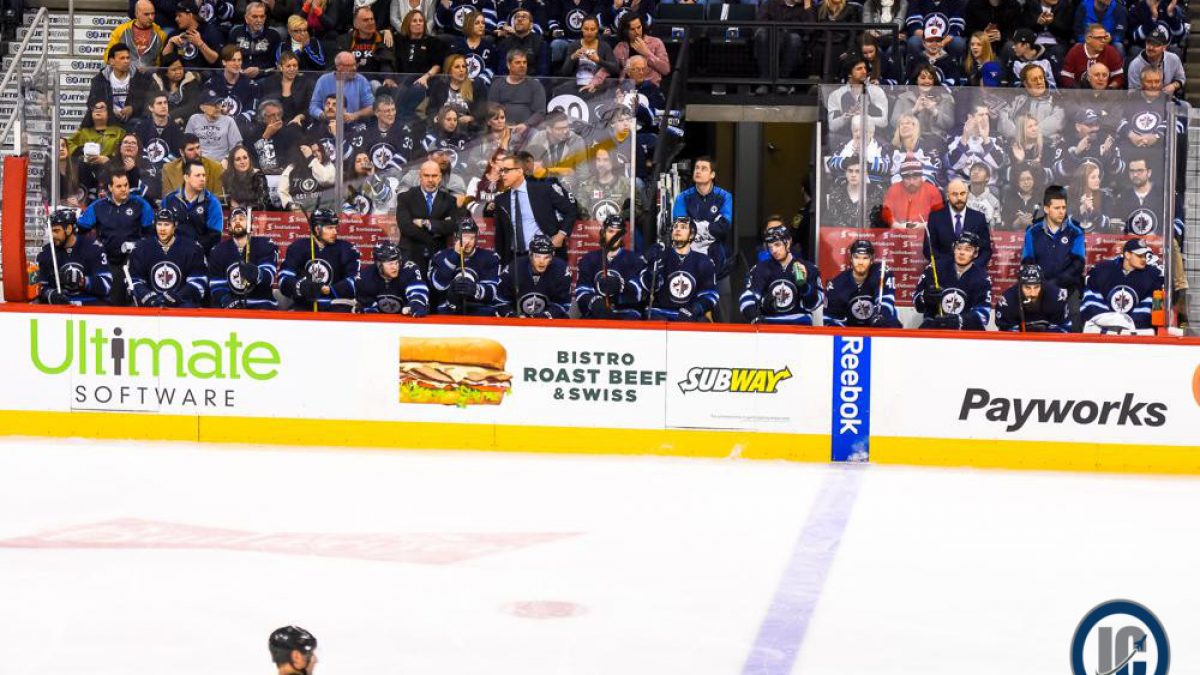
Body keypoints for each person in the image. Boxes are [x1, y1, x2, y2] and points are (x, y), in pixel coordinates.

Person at [76, 168, 155, 305]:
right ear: (110, 188)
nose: (124, 189)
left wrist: (138, 246)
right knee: (114, 300)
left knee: (135, 299)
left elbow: (150, 236)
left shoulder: (140, 204)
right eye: (119, 186)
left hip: (134, 261)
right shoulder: (98, 206)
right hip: (108, 261)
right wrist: (93, 246)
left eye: (126, 185)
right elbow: (81, 229)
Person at [671, 156, 732, 315]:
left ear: (712, 174)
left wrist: (695, 226)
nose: (698, 171)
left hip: (718, 263)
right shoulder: (683, 197)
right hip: (690, 265)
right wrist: (709, 226)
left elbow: (724, 227)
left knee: (723, 317)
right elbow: (681, 228)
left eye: (703, 168)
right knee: (690, 313)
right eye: (696, 168)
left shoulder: (724, 197)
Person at [1021, 185, 1086, 328]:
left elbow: (1078, 264)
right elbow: (1027, 262)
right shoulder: (1032, 231)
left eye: (1064, 207)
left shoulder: (1076, 231)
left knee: (1074, 325)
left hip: (1069, 289)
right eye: (1057, 208)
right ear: (1046, 209)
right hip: (1039, 289)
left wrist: (1054, 284)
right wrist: (1042, 286)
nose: (1061, 212)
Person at [492, 153, 579, 262]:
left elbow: (571, 210)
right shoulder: (501, 200)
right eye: (501, 171)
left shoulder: (543, 189)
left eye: (506, 170)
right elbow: (500, 235)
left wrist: (561, 235)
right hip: (516, 260)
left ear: (519, 171)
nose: (502, 174)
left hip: (546, 255)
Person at [279, 208, 361, 312]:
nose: (335, 232)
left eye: (336, 227)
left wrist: (328, 290)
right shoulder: (298, 247)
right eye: (330, 228)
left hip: (336, 307)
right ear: (317, 229)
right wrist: (302, 287)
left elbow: (356, 281)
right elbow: (284, 279)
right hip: (304, 307)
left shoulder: (347, 249)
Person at [396, 160, 471, 271]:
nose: (430, 180)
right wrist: (437, 232)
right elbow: (405, 226)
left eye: (434, 176)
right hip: (411, 257)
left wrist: (427, 223)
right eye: (426, 176)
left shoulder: (450, 200)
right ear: (420, 177)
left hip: (438, 257)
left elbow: (453, 225)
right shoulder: (405, 197)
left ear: (440, 177)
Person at [739, 225, 823, 325]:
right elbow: (746, 299)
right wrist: (755, 317)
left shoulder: (809, 268)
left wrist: (805, 287)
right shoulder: (760, 269)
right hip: (770, 326)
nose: (774, 250)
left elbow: (813, 305)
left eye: (777, 245)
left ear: (788, 242)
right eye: (770, 247)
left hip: (800, 327)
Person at [642, 217, 719, 322]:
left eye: (683, 227)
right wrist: (651, 268)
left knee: (702, 321)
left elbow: (710, 294)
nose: (677, 230)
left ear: (691, 235)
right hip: (660, 313)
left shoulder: (703, 261)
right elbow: (648, 288)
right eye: (675, 227)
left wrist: (695, 309)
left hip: (689, 315)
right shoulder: (661, 256)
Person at [129, 208, 209, 308]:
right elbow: (135, 280)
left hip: (182, 305)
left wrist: (176, 297)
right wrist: (149, 298)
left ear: (175, 226)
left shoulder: (192, 248)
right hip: (151, 305)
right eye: (159, 224)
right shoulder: (141, 248)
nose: (162, 229)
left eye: (167, 224)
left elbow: (198, 281)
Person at [913, 230, 993, 330]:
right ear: (954, 249)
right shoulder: (935, 268)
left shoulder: (982, 278)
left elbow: (983, 315)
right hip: (935, 327)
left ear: (975, 253)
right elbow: (917, 303)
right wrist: (924, 297)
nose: (962, 253)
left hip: (965, 332)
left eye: (968, 249)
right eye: (959, 248)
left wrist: (959, 321)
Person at [1081, 238, 1164, 331]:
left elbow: (1154, 308)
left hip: (1137, 332)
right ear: (1127, 255)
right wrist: (1110, 321)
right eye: (1139, 256)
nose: (1144, 259)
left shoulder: (1153, 275)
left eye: (1145, 256)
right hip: (1102, 329)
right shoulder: (1103, 270)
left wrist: (1128, 324)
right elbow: (1091, 302)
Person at [575, 215, 645, 320]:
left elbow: (638, 292)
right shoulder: (589, 259)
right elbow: (582, 290)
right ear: (603, 233)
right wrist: (594, 302)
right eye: (611, 231)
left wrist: (621, 286)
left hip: (626, 314)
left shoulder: (634, 260)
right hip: (597, 313)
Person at [428, 218, 503, 315]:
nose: (468, 242)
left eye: (471, 238)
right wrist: (455, 256)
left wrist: (476, 289)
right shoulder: (440, 256)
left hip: (480, 311)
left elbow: (495, 291)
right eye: (464, 237)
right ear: (456, 237)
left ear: (476, 238)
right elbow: (437, 286)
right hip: (448, 311)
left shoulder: (490, 257)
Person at [37, 209, 113, 306]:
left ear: (69, 229)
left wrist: (83, 281)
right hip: (61, 308)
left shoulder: (93, 248)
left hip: (90, 307)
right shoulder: (46, 252)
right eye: (51, 231)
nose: (52, 235)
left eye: (56, 231)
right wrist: (51, 295)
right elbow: (40, 287)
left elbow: (107, 285)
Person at [207, 206, 278, 309]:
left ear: (250, 224)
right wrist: (226, 300)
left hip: (261, 306)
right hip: (231, 308)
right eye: (234, 220)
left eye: (241, 219)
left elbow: (269, 277)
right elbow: (217, 284)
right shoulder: (218, 251)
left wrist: (258, 274)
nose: (237, 221)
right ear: (229, 227)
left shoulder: (265, 245)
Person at [824, 239, 902, 328]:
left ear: (872, 259)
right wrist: (840, 331)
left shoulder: (882, 273)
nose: (860, 262)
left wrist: (881, 314)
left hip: (883, 327)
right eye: (856, 257)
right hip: (852, 330)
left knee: (888, 322)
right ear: (851, 259)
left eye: (865, 258)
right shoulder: (837, 284)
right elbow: (831, 319)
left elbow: (886, 303)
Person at [494, 234, 572, 317]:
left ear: (552, 257)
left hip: (548, 321)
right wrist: (513, 316)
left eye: (546, 257)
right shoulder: (514, 268)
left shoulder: (561, 269)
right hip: (518, 319)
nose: (541, 261)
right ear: (530, 255)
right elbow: (501, 301)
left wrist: (545, 316)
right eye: (537, 256)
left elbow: (562, 304)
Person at [923, 178, 992, 269]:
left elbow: (986, 250)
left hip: (971, 273)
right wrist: (947, 266)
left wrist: (972, 267)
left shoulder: (979, 218)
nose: (959, 198)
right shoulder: (935, 217)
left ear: (967, 194)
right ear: (948, 195)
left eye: (962, 194)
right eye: (955, 194)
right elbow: (928, 248)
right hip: (943, 272)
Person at [160, 159, 224, 254]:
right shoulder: (169, 200)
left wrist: (193, 248)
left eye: (204, 175)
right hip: (172, 253)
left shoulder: (212, 202)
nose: (202, 179)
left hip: (200, 254)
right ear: (186, 177)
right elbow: (161, 229)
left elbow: (215, 236)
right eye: (198, 175)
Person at [752, 0, 813, 94]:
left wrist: (808, 7)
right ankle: (764, 82)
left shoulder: (805, 8)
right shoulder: (770, 4)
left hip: (791, 42)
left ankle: (782, 82)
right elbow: (759, 24)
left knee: (795, 38)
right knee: (762, 34)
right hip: (771, 38)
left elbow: (810, 30)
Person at [356, 240, 431, 315]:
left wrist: (416, 302)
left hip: (407, 316)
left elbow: (418, 289)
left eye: (397, 262)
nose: (395, 267)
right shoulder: (366, 276)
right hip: (381, 319)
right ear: (379, 264)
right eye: (390, 263)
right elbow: (368, 305)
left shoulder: (408, 269)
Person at [595, 13, 669, 86]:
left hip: (649, 87)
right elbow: (609, 67)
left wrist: (646, 53)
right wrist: (595, 81)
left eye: (639, 27)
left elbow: (665, 70)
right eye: (632, 29)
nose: (637, 32)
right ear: (626, 31)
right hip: (626, 87)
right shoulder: (621, 46)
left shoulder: (656, 42)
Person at [88, 44, 155, 124]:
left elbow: (147, 100)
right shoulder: (100, 79)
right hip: (108, 121)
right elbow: (92, 102)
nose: (126, 61)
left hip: (133, 121)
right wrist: (109, 111)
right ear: (111, 61)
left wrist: (132, 108)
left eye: (128, 58)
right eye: (122, 58)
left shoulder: (139, 78)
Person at [995, 262, 1069, 331]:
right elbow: (1005, 333)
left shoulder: (1057, 297)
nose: (1032, 293)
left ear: (1042, 285)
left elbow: (1064, 329)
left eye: (1036, 287)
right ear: (1020, 286)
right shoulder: (1007, 301)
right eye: (1027, 288)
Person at [308, 52, 376, 122]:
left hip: (353, 124)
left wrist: (355, 115)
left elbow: (372, 107)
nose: (354, 68)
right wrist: (323, 115)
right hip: (327, 123)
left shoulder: (361, 80)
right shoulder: (323, 80)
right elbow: (313, 106)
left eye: (355, 64)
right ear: (338, 67)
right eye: (349, 65)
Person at [203, 44, 261, 126]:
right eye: (233, 60)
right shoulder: (212, 83)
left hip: (241, 128)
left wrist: (233, 122)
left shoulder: (251, 86)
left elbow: (252, 113)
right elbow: (207, 109)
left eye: (239, 60)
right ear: (224, 62)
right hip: (215, 127)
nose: (237, 64)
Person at [488, 49, 546, 130]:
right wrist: (502, 126)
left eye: (524, 62)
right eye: (518, 62)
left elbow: (540, 112)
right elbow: (492, 109)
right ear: (508, 65)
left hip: (528, 129)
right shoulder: (497, 84)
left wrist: (526, 125)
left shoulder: (535, 85)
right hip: (501, 128)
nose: (522, 65)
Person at [946, 104, 1004, 183]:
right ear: (970, 117)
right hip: (963, 184)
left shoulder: (995, 137)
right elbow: (955, 165)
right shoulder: (955, 136)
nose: (985, 118)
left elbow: (998, 164)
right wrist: (965, 137)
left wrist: (986, 139)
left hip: (988, 185)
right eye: (981, 115)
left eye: (987, 114)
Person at [559, 14, 618, 92]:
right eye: (586, 29)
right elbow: (564, 73)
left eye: (592, 29)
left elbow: (615, 69)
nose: (589, 32)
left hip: (597, 88)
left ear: (597, 30)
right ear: (581, 29)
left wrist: (598, 60)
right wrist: (573, 57)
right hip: (576, 87)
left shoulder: (604, 46)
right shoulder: (574, 45)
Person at [106, 0, 168, 72]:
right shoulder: (120, 31)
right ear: (136, 14)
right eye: (146, 14)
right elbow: (108, 56)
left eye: (153, 14)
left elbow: (162, 62)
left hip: (149, 76)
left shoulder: (161, 35)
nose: (151, 17)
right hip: (125, 74)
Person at [882, 158, 945, 228]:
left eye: (915, 178)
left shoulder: (932, 191)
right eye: (907, 178)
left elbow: (940, 217)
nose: (911, 182)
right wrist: (896, 225)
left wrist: (922, 225)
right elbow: (887, 212)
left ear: (921, 177)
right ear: (902, 178)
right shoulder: (894, 190)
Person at [185, 90, 244, 164]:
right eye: (212, 104)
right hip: (199, 163)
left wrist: (227, 159)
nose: (217, 107)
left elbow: (237, 146)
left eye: (219, 103)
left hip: (221, 163)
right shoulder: (194, 119)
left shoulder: (229, 121)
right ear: (202, 107)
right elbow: (187, 143)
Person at [1059, 23, 1125, 88]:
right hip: (1078, 92)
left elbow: (1119, 77)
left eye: (1104, 38)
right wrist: (1078, 90)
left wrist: (1110, 88)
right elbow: (1066, 76)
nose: (1103, 41)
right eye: (1099, 38)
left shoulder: (1111, 51)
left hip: (1105, 92)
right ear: (1088, 39)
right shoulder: (1075, 51)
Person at [575, 146, 631, 222]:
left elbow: (637, 206)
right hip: (593, 227)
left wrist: (621, 216)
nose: (601, 164)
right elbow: (582, 211)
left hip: (619, 226)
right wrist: (592, 222)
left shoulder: (625, 184)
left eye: (605, 160)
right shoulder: (586, 185)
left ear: (613, 162)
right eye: (598, 160)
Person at [161, 1, 223, 69]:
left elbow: (215, 61)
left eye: (179, 15)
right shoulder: (175, 35)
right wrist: (170, 43)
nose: (176, 19)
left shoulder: (209, 31)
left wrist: (200, 44)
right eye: (176, 16)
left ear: (190, 15)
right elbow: (164, 61)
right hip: (182, 73)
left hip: (204, 73)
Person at [261, 51, 316, 126]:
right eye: (288, 66)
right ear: (281, 67)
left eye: (295, 66)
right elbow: (264, 105)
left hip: (298, 123)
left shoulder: (306, 83)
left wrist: (300, 116)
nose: (292, 69)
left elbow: (311, 107)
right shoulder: (270, 83)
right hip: (274, 123)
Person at [1126, 26, 1185, 94]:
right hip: (1143, 99)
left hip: (1167, 97)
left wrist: (1173, 86)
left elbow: (1181, 78)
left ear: (1164, 47)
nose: (1151, 47)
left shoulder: (1174, 59)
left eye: (1155, 45)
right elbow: (1133, 92)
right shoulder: (1135, 65)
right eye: (1148, 43)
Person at [229, 2, 281, 79]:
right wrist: (239, 69)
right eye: (254, 16)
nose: (259, 20)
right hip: (238, 76)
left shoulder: (273, 35)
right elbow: (228, 57)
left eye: (262, 16)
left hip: (264, 78)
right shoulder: (236, 32)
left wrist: (259, 70)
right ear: (246, 18)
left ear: (265, 18)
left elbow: (275, 63)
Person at [496, 8, 549, 76]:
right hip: (510, 80)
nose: (519, 19)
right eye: (517, 17)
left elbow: (543, 71)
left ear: (531, 25)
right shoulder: (505, 43)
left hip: (533, 80)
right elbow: (501, 70)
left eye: (524, 17)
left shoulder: (540, 43)